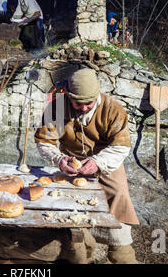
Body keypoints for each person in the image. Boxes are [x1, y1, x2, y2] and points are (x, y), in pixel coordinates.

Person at [34, 68, 140, 264]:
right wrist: (59, 159)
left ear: (97, 95)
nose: (83, 108)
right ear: (69, 96)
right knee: (69, 203)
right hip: (70, 161)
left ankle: (122, 254)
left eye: (88, 103)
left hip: (106, 160)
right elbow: (44, 141)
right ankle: (81, 251)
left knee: (119, 195)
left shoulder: (113, 110)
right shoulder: (57, 108)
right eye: (77, 103)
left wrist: (98, 162)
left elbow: (121, 146)